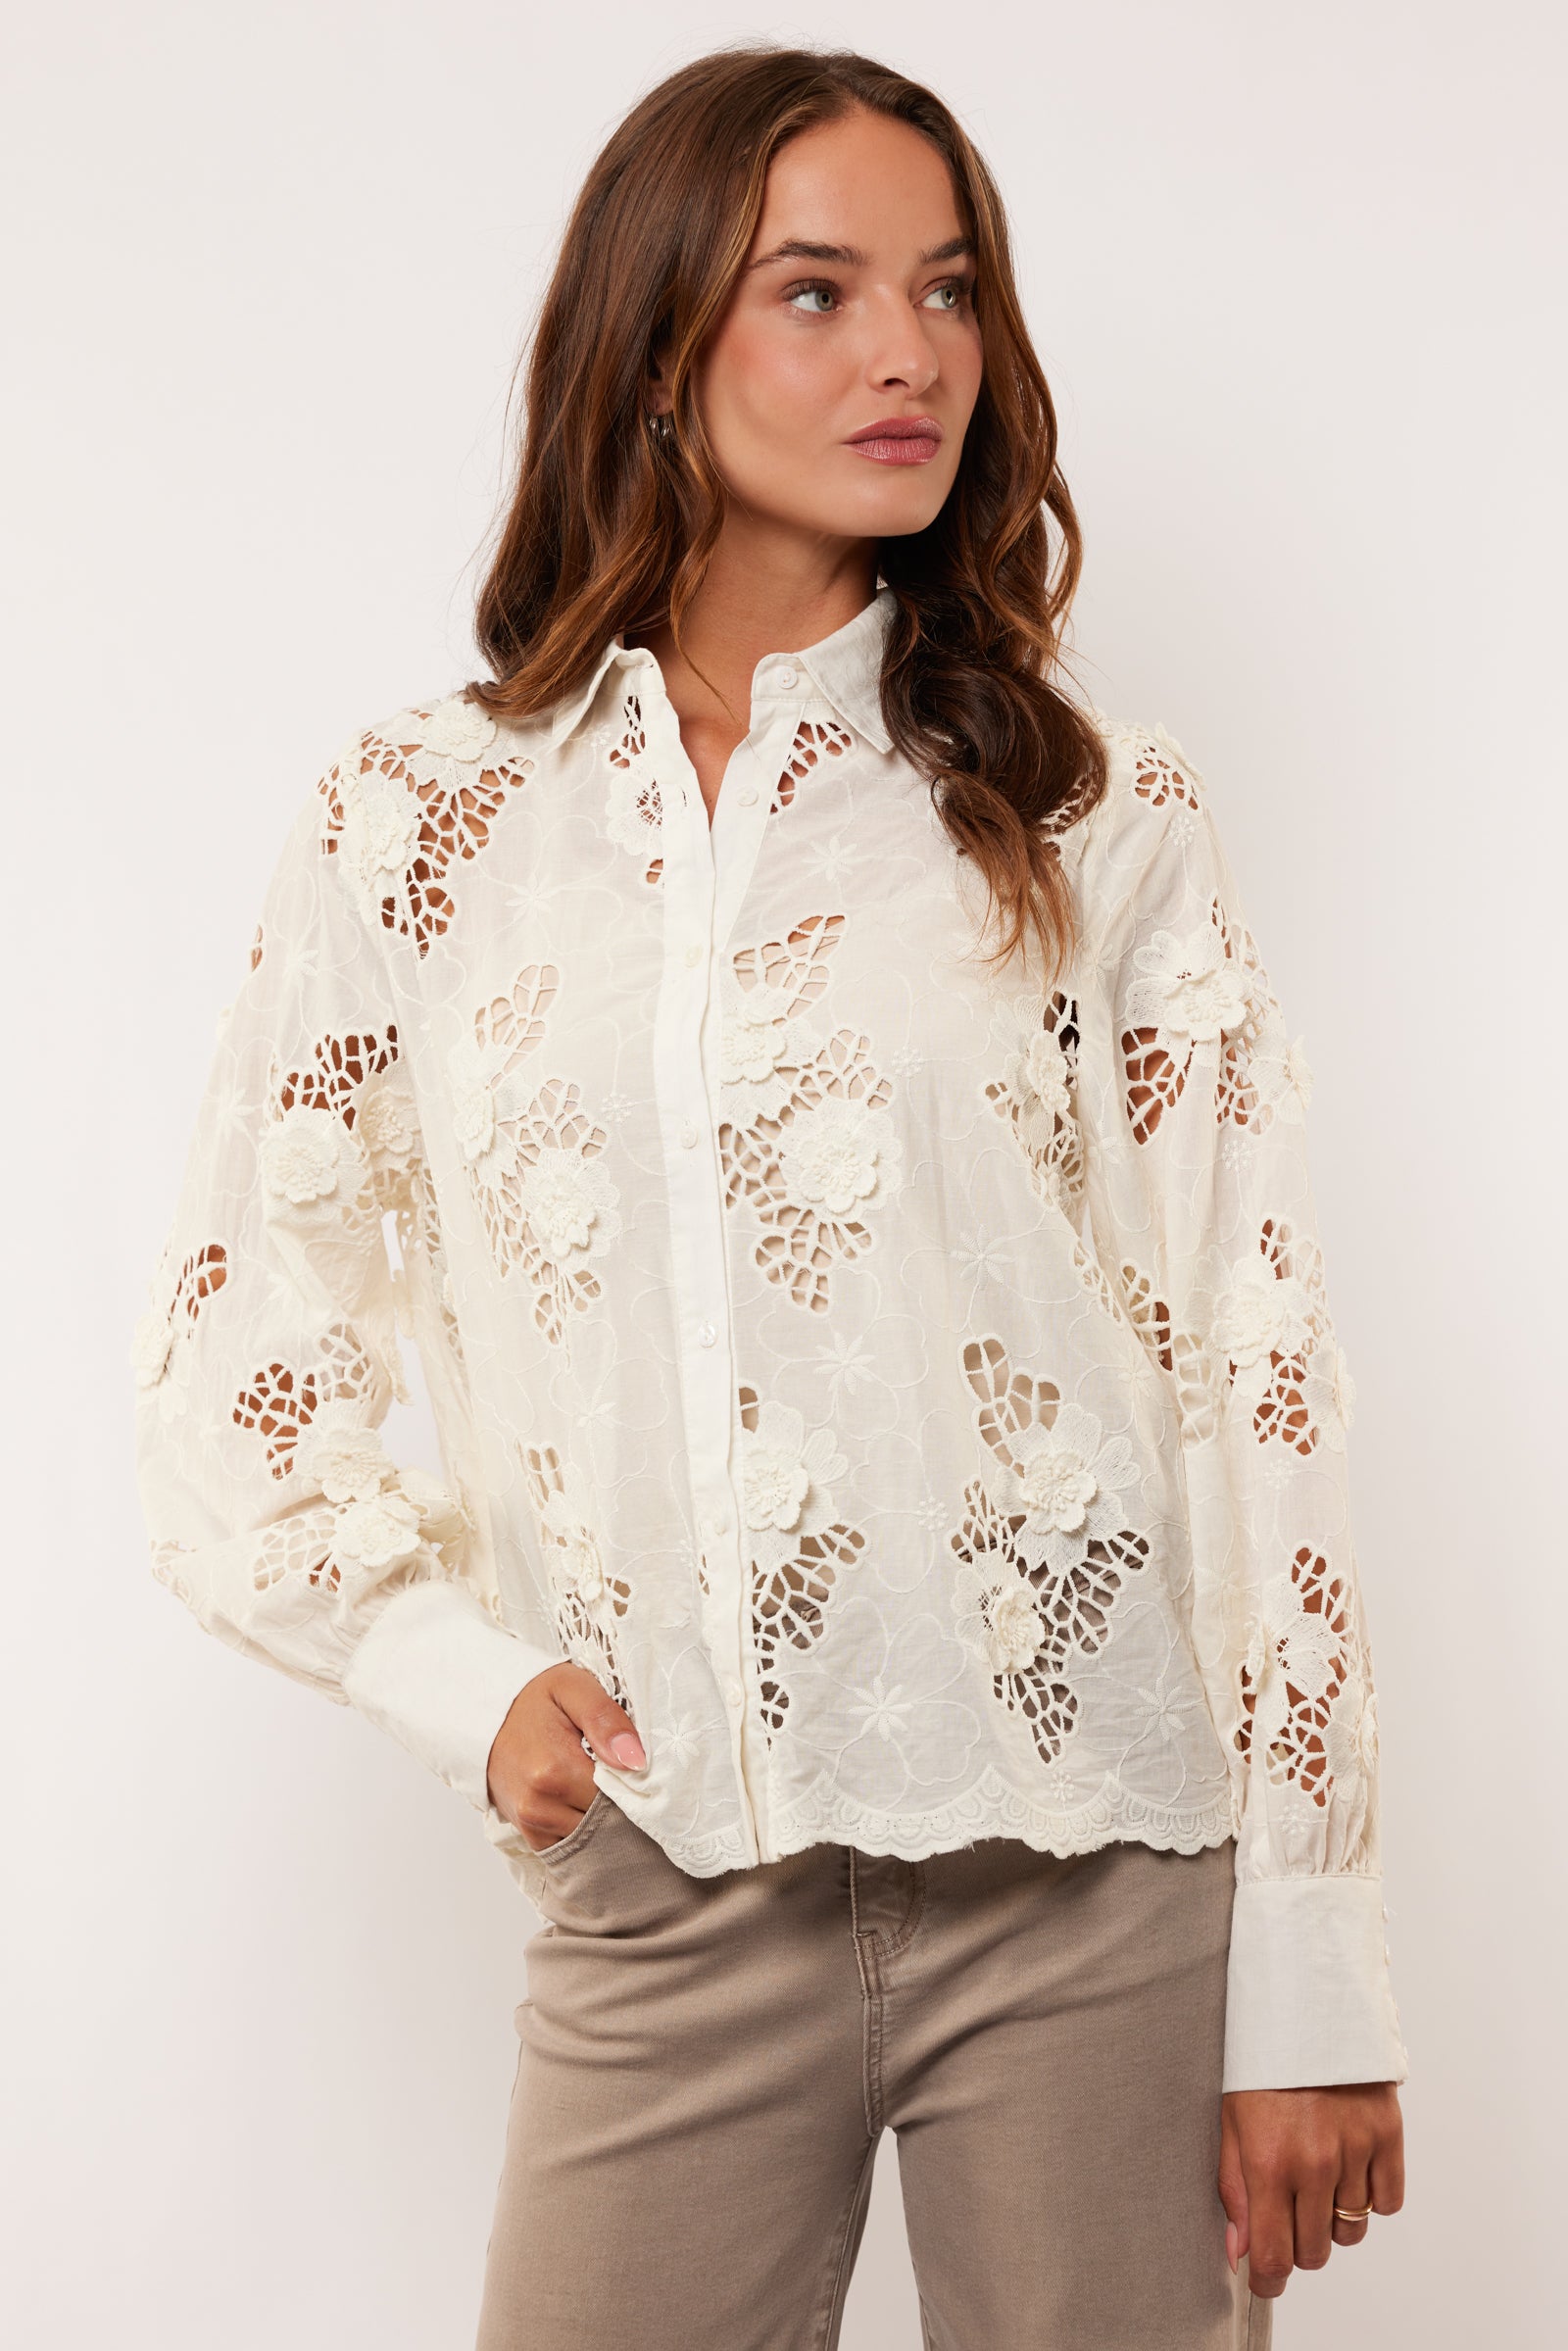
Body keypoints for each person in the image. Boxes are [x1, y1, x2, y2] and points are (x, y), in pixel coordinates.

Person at [129, 41, 1408, 2351]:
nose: (907, 351)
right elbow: (238, 1363)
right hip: (664, 1884)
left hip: (1094, 1878)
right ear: (653, 350)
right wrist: (458, 1676)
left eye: (945, 288)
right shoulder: (423, 826)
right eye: (814, 291)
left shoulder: (1092, 810)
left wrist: (1308, 1962)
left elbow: (1254, 1356)